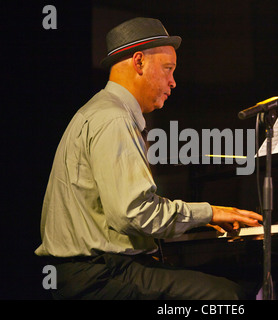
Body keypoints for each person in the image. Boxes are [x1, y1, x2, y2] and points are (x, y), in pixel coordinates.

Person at [35, 17, 262, 300]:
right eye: (168, 69)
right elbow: (135, 213)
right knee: (229, 298)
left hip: (89, 272)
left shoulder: (99, 110)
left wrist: (199, 219)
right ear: (139, 62)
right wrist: (209, 212)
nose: (173, 82)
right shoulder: (113, 118)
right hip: (98, 277)